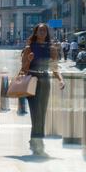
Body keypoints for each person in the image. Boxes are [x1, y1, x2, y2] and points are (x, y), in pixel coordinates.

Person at [20, 23, 65, 157]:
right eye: (40, 30)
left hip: (45, 80)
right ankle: (37, 143)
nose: (42, 32)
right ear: (35, 32)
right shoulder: (29, 48)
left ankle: (35, 141)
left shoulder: (51, 48)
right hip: (32, 79)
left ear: (47, 33)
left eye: (44, 30)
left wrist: (60, 79)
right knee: (36, 113)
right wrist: (28, 60)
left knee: (42, 112)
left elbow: (54, 67)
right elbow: (24, 69)